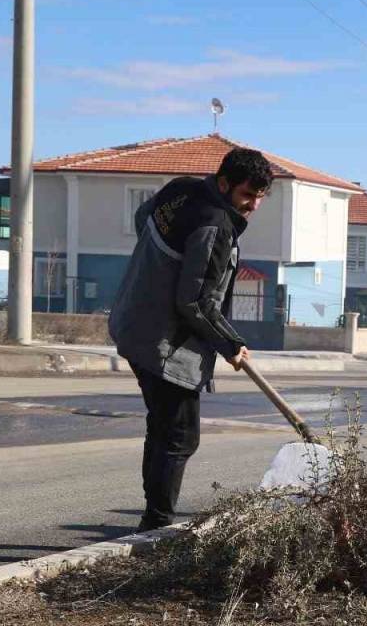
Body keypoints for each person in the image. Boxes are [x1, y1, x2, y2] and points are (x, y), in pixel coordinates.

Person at [108, 147, 273, 532]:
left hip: (133, 322)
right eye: (247, 195)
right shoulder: (215, 227)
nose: (254, 205)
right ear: (224, 183)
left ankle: (153, 520)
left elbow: (142, 219)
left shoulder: (179, 189)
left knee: (163, 426)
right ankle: (157, 528)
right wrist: (230, 344)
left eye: (261, 196)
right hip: (165, 345)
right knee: (179, 435)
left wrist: (158, 271)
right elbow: (196, 302)